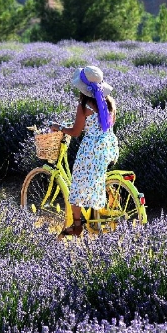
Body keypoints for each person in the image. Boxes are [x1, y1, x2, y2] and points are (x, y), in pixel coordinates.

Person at [50, 65, 119, 238]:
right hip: (108, 147)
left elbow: (75, 132)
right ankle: (98, 214)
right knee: (96, 179)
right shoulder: (109, 102)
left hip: (91, 150)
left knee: (77, 187)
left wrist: (59, 127)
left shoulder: (84, 106)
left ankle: (77, 225)